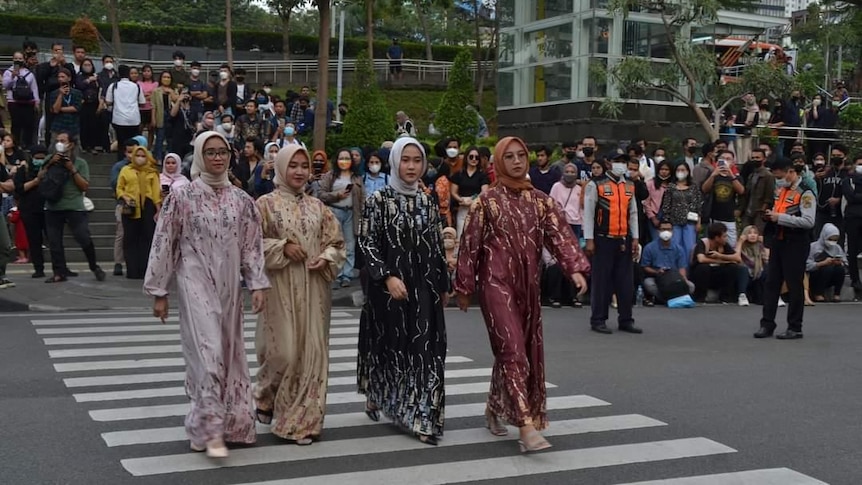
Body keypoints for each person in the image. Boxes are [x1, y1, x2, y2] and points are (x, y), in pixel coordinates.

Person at [454, 136, 590, 453]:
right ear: (499, 162)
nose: (517, 161)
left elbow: (559, 234)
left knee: (516, 351)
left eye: (521, 155)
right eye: (510, 156)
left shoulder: (540, 201)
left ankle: (493, 406)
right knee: (513, 350)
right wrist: (464, 286)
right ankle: (526, 427)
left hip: (529, 287)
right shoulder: (486, 203)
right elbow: (469, 245)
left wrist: (574, 268)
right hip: (495, 285)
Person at [144, 131, 270, 458]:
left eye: (223, 152)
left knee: (230, 353)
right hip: (193, 279)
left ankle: (228, 424)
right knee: (208, 351)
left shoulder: (242, 200)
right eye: (210, 152)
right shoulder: (182, 198)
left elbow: (251, 246)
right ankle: (211, 430)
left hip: (229, 285)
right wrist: (160, 291)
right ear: (200, 155)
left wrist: (256, 283)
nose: (217, 158)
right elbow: (164, 243)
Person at [357, 137, 449, 446]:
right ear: (395, 162)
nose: (411, 166)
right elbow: (366, 242)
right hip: (389, 291)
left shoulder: (427, 201)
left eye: (417, 160)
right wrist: (386, 277)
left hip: (425, 288)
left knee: (426, 351)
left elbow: (437, 244)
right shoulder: (378, 200)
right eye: (405, 160)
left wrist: (445, 284)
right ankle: (380, 393)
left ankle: (423, 417)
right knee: (392, 348)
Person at [254, 144, 345, 445]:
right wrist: (282, 247)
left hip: (315, 288)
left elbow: (337, 243)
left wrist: (326, 258)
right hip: (279, 287)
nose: (299, 171)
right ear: (281, 167)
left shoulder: (319, 207)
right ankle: (265, 394)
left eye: (304, 166)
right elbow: (250, 245)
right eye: (292, 165)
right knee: (284, 352)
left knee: (311, 356)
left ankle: (302, 422)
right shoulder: (264, 204)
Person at [755, 158, 815, 340]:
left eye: (780, 176)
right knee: (771, 283)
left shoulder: (805, 193)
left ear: (790, 172)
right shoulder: (781, 191)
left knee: (794, 285)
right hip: (779, 240)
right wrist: (770, 216)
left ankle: (795, 327)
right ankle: (767, 324)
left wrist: (779, 218)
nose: (778, 180)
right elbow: (779, 210)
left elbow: (808, 221)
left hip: (796, 242)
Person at [584, 152, 642, 335]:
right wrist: (590, 240)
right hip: (603, 238)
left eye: (623, 162)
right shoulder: (596, 184)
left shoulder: (629, 186)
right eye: (617, 161)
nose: (621, 165)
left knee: (625, 282)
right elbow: (588, 214)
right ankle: (598, 319)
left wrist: (635, 238)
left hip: (623, 238)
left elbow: (633, 213)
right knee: (602, 282)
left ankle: (626, 319)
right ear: (608, 163)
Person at [43, 132, 105, 283]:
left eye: (63, 141)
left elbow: (84, 185)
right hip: (53, 206)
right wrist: (50, 163)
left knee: (83, 237)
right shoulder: (49, 159)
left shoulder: (80, 163)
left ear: (71, 144)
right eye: (57, 141)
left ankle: (94, 266)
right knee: (54, 241)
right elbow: (39, 178)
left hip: (74, 206)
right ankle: (59, 272)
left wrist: (71, 169)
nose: (59, 143)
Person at [318, 148, 364, 288]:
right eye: (341, 158)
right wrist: (337, 195)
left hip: (351, 213)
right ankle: (336, 274)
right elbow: (320, 194)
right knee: (335, 244)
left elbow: (362, 197)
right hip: (334, 212)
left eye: (347, 158)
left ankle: (347, 275)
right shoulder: (330, 176)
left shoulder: (356, 177)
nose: (344, 161)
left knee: (350, 245)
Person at [116, 147, 161, 280]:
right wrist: (125, 197)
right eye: (138, 155)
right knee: (130, 238)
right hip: (131, 206)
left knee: (146, 238)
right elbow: (119, 188)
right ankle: (132, 270)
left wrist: (158, 209)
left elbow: (156, 192)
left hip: (147, 206)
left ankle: (144, 269)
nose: (140, 158)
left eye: (143, 155)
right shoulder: (126, 170)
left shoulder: (152, 172)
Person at [690, 223, 747, 305]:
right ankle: (700, 298)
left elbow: (737, 258)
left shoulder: (723, 245)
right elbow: (701, 259)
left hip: (716, 274)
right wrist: (720, 261)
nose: (726, 238)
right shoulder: (703, 243)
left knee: (732, 267)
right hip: (701, 275)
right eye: (724, 236)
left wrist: (720, 255)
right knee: (703, 267)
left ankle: (725, 298)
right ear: (717, 238)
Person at [640, 220, 694, 304]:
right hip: (657, 277)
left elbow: (682, 267)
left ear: (672, 231)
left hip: (673, 278)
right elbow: (645, 267)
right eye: (663, 229)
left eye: (668, 229)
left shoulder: (678, 248)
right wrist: (657, 271)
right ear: (658, 231)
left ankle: (666, 298)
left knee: (691, 286)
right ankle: (669, 299)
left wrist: (684, 279)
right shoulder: (650, 247)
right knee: (648, 284)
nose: (666, 232)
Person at [806, 223, 848, 303]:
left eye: (835, 240)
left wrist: (840, 262)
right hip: (816, 276)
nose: (832, 242)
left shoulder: (837, 248)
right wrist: (821, 263)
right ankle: (817, 293)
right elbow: (806, 265)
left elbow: (845, 263)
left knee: (839, 269)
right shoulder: (813, 247)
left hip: (831, 276)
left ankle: (836, 294)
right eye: (830, 239)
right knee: (827, 268)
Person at [737, 225, 769, 305]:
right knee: (743, 269)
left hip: (757, 276)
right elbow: (736, 257)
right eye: (749, 233)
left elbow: (768, 259)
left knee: (769, 269)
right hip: (745, 277)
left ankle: (773, 295)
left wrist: (764, 243)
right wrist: (740, 242)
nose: (753, 235)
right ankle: (742, 295)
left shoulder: (759, 246)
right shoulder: (741, 246)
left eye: (755, 233)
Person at [843, 155, 862, 292]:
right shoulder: (848, 180)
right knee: (852, 249)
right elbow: (851, 196)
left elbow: (856, 197)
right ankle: (855, 280)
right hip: (852, 218)